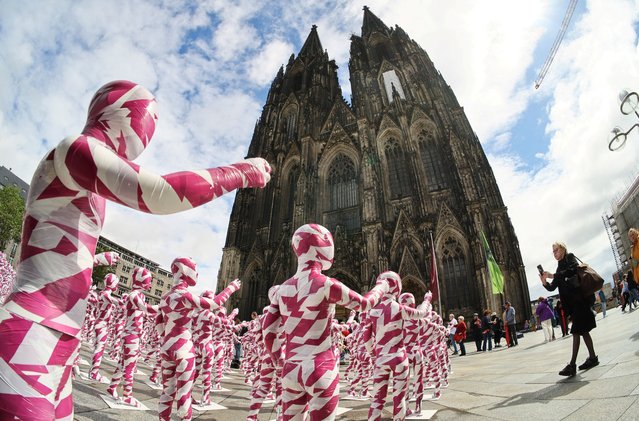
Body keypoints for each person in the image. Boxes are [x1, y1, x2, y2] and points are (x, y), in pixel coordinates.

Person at [0, 80, 272, 420]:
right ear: (124, 113)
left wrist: (100, 259)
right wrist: (240, 171)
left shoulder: (85, 174)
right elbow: (157, 193)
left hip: (61, 335)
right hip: (32, 326)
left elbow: (61, 251)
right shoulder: (75, 149)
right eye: (150, 121)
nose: (148, 135)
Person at [540, 241, 599, 377]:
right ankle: (593, 358)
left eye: (556, 250)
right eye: (553, 251)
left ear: (563, 249)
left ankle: (572, 365)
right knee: (583, 331)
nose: (554, 253)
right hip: (572, 305)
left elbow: (572, 270)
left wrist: (553, 276)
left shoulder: (570, 257)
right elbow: (552, 287)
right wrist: (544, 282)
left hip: (579, 301)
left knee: (576, 332)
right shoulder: (559, 267)